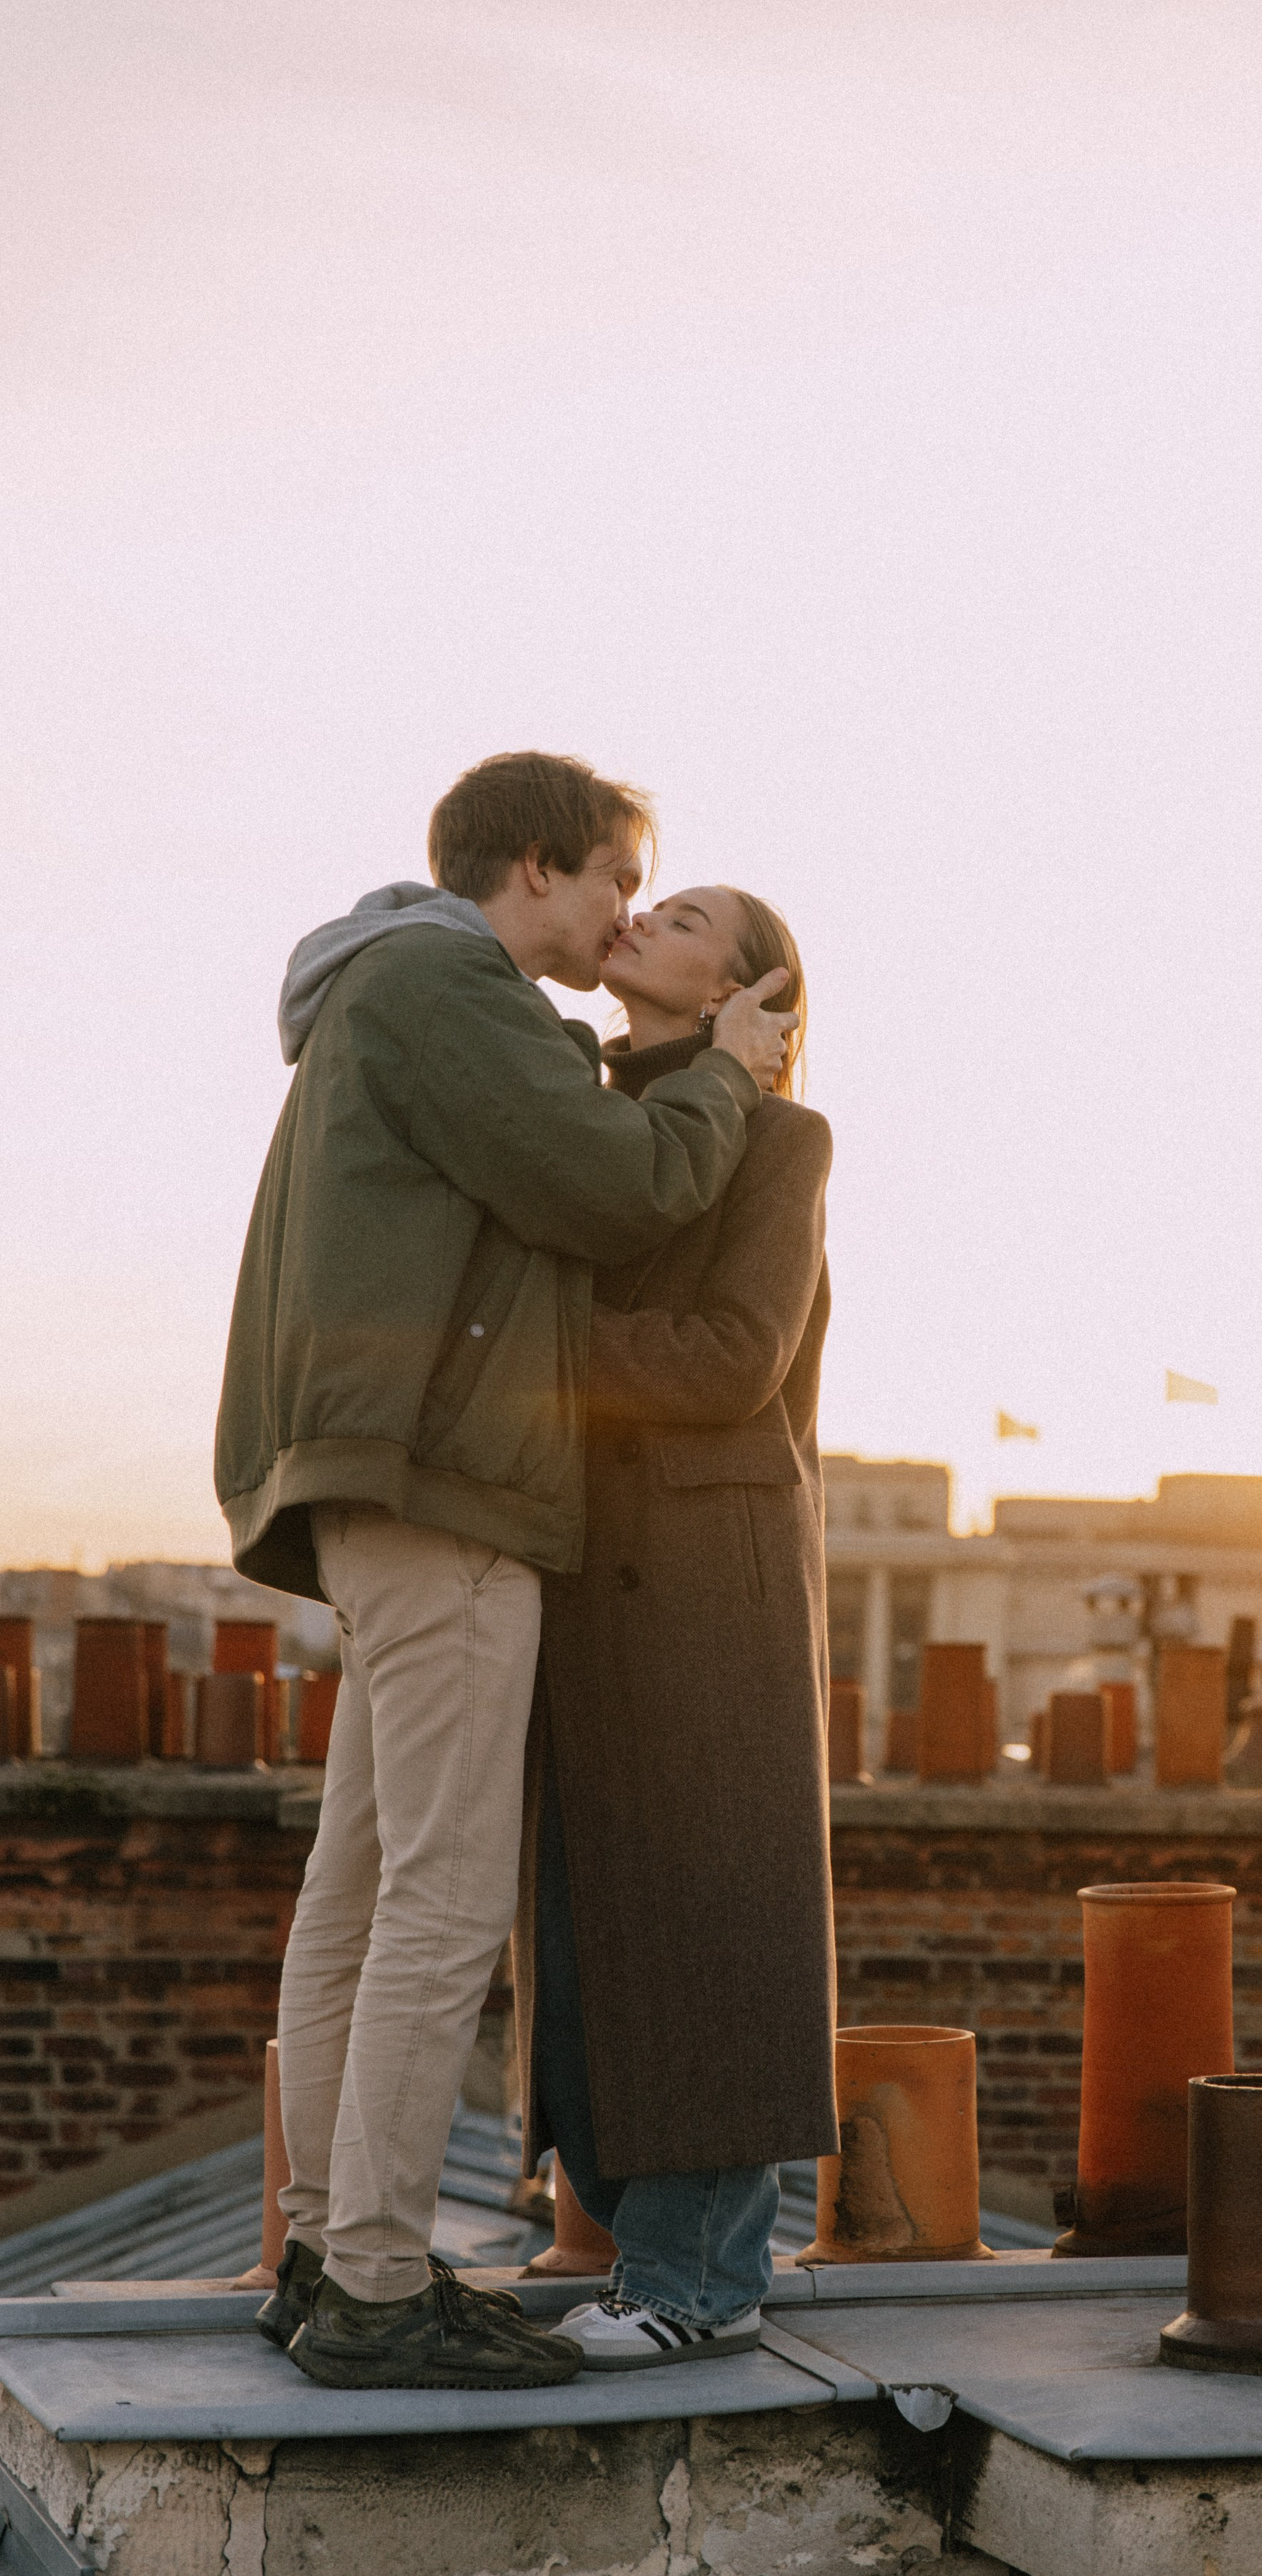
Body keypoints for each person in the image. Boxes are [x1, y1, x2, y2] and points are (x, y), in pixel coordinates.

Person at [214, 756, 796, 2391]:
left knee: (359, 1885)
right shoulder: (442, 983)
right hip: (450, 1487)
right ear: (539, 868)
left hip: (383, 1479)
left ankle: (331, 2249)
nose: (624, 912)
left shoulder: (383, 987)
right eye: (621, 880)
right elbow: (616, 1192)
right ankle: (382, 2284)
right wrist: (727, 1077)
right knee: (440, 1899)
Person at [510, 884, 838, 2368]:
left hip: (706, 1586)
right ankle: (658, 2260)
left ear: (748, 990)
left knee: (709, 1929)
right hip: (583, 1569)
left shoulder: (779, 1138)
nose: (643, 911)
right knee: (590, 1932)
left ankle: (698, 2284)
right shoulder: (587, 1120)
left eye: (688, 911)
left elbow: (728, 1360)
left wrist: (515, 1347)